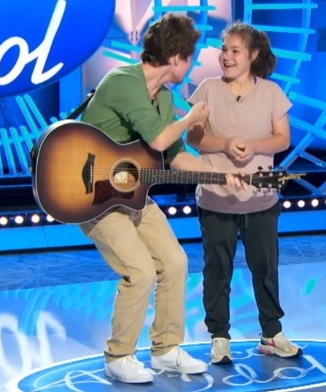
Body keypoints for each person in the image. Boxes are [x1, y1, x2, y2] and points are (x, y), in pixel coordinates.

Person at [77, 14, 242, 384]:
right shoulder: (123, 81)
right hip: (92, 195)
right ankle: (118, 355)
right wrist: (192, 118)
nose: (194, 63)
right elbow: (158, 140)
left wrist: (219, 175)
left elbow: (174, 154)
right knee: (140, 270)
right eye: (191, 56)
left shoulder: (164, 98)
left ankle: (166, 350)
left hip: (131, 194)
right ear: (176, 58)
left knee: (174, 261)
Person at [186, 22, 302, 364]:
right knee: (217, 268)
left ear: (252, 55)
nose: (226, 56)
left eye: (235, 50)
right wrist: (222, 143)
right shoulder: (206, 89)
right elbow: (193, 137)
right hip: (215, 196)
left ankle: (271, 333)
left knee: (265, 266)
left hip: (261, 196)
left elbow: (282, 139)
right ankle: (219, 336)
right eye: (224, 50)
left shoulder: (271, 93)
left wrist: (251, 147)